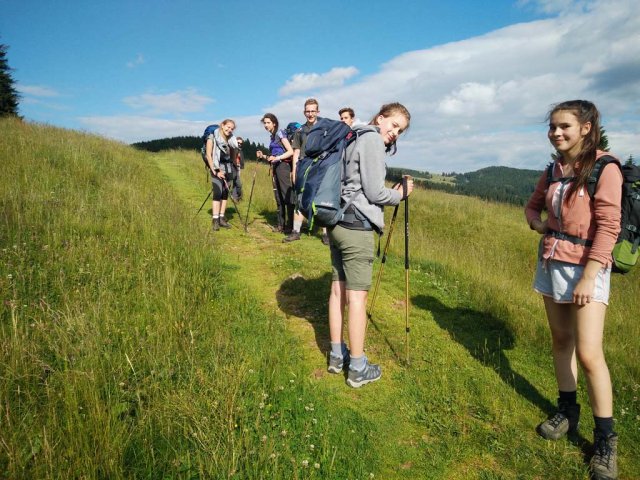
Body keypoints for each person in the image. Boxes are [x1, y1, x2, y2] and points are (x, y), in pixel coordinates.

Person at [524, 100, 622, 480]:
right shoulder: (552, 169)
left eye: (563, 126)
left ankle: (605, 440)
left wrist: (589, 275)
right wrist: (538, 224)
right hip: (550, 262)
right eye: (552, 126)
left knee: (590, 354)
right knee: (560, 340)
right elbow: (532, 208)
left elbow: (609, 227)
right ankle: (568, 411)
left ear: (586, 127)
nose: (556, 132)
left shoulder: (604, 167)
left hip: (586, 267)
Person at [327, 102, 413, 388]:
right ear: (381, 118)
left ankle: (336, 357)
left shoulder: (352, 135)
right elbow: (376, 192)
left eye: (400, 131)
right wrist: (400, 194)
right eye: (394, 125)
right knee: (357, 298)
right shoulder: (373, 139)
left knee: (337, 291)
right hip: (357, 227)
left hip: (337, 221)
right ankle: (358, 368)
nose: (394, 133)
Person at [289, 98, 326, 244]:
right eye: (308, 111)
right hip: (303, 167)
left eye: (313, 111)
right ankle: (295, 231)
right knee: (300, 199)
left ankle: (325, 234)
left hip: (320, 167)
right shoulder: (300, 131)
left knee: (321, 200)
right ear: (304, 112)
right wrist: (294, 170)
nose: (310, 114)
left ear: (318, 111)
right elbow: (296, 152)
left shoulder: (325, 128)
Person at [256, 113, 294, 233]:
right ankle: (280, 225)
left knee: (286, 197)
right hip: (276, 167)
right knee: (279, 197)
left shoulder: (280, 134)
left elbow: (290, 151)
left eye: (268, 123)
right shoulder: (273, 136)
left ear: (274, 123)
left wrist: (277, 159)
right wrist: (263, 156)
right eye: (265, 123)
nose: (266, 125)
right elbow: (274, 156)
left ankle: (290, 225)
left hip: (283, 167)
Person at [202, 119, 237, 230]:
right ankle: (215, 219)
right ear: (222, 125)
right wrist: (215, 171)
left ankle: (222, 218)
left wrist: (232, 164)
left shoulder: (230, 139)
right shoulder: (212, 137)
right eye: (228, 127)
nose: (229, 130)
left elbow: (232, 153)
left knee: (225, 193)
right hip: (216, 168)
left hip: (227, 168)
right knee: (217, 192)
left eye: (232, 128)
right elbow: (208, 155)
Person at [230, 136, 245, 201]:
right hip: (233, 167)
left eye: (241, 143)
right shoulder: (233, 149)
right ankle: (239, 196)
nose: (239, 144)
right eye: (238, 143)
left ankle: (234, 197)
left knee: (235, 183)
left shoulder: (240, 150)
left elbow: (242, 159)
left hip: (238, 167)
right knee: (238, 183)